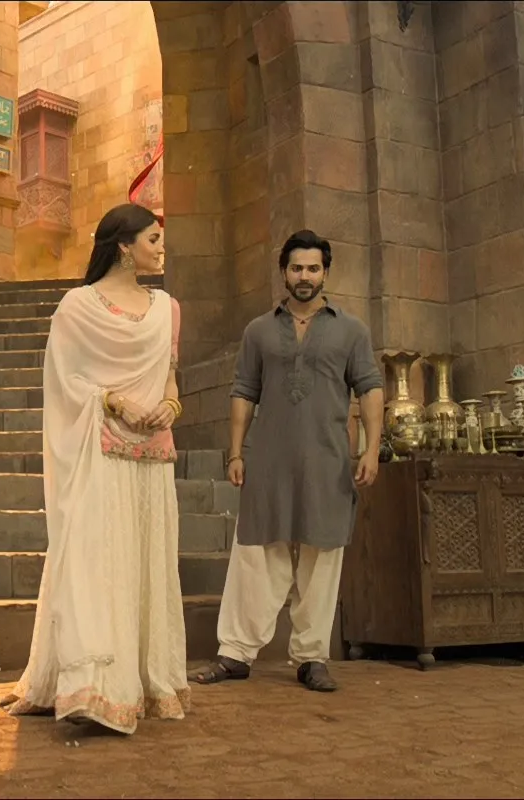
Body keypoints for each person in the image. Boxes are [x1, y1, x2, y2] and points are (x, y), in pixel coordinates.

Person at [0, 203, 189, 734]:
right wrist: (114, 400)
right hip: (97, 451)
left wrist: (170, 406)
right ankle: (93, 687)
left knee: (143, 565)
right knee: (94, 560)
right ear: (125, 246)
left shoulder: (167, 308)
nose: (161, 248)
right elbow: (64, 381)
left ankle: (145, 682)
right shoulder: (77, 307)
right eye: (153, 239)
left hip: (151, 457)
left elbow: (170, 378)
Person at [188, 230, 384, 693]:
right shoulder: (258, 330)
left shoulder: (351, 330)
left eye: (313, 268)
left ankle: (312, 658)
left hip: (327, 461)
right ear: (284, 272)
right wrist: (236, 452)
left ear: (325, 272)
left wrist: (372, 448)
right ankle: (235, 653)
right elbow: (243, 391)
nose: (304, 276)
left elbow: (369, 388)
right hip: (268, 461)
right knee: (255, 554)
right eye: (297, 268)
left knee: (322, 558)